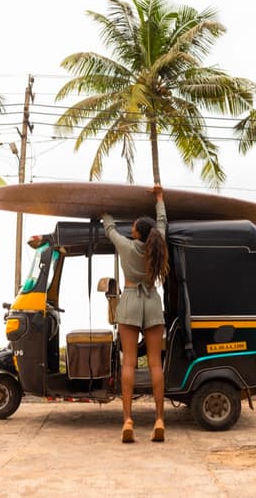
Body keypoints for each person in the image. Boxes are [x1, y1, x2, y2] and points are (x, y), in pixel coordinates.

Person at [101, 184, 169, 443]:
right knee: (155, 363)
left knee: (128, 362)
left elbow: (109, 229)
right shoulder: (158, 242)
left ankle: (128, 420)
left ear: (137, 233)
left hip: (129, 301)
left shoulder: (126, 247)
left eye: (132, 229)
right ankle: (160, 419)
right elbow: (161, 221)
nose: (129, 231)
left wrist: (104, 210)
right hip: (152, 300)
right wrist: (159, 198)